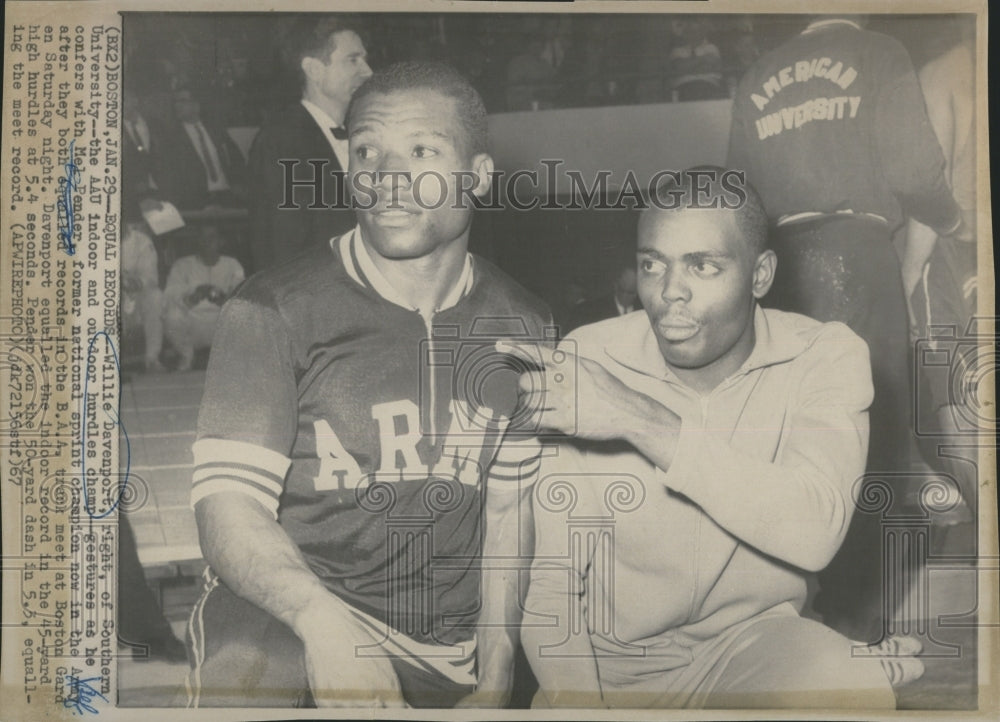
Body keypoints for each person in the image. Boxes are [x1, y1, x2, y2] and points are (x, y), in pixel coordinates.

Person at [185, 61, 552, 709]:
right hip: (296, 612)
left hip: (444, 645)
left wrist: (497, 668)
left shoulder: (523, 322)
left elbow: (508, 510)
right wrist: (323, 625)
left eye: (421, 151)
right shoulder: (272, 309)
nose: (387, 177)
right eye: (367, 152)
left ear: (479, 175)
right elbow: (226, 508)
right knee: (246, 671)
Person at [517, 170, 919, 709]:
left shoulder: (824, 355)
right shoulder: (588, 359)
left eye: (702, 265)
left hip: (750, 651)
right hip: (606, 672)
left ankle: (854, 664)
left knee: (850, 692)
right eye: (651, 264)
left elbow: (815, 530)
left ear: (760, 275)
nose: (668, 292)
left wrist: (641, 419)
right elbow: (551, 590)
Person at [726, 15, 969, 642]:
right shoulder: (879, 50)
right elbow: (919, 174)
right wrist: (952, 219)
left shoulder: (756, 75)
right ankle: (866, 630)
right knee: (882, 443)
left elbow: (738, 201)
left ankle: (816, 624)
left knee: (799, 443)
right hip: (857, 256)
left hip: (777, 268)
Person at [903, 29, 978, 519]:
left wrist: (907, 276)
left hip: (952, 254)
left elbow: (932, 188)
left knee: (957, 412)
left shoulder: (940, 74)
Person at [246, 16, 372, 272]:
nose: (368, 71)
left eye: (365, 59)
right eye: (353, 60)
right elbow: (283, 248)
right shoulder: (281, 140)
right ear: (314, 69)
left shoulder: (363, 135)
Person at [162, 225, 245, 371]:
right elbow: (170, 295)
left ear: (221, 241)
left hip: (220, 325)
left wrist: (223, 299)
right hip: (193, 323)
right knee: (171, 315)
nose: (207, 242)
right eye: (202, 238)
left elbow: (241, 294)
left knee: (243, 315)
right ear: (197, 242)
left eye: (212, 237)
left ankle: (230, 362)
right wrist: (192, 297)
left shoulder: (232, 264)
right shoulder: (182, 265)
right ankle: (186, 356)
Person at [157, 87, 246, 211]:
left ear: (196, 105)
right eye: (175, 102)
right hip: (197, 202)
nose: (177, 106)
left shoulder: (216, 129)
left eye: (182, 101)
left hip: (228, 196)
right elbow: (169, 177)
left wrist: (238, 187)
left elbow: (237, 160)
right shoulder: (171, 138)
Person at [122, 218, 165, 372]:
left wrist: (136, 282)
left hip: (136, 302)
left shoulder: (141, 241)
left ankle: (152, 359)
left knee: (155, 297)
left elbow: (150, 278)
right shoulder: (94, 238)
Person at [568, 259, 642, 332]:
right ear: (615, 286)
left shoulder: (643, 311)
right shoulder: (595, 310)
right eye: (622, 290)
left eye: (631, 293)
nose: (625, 296)